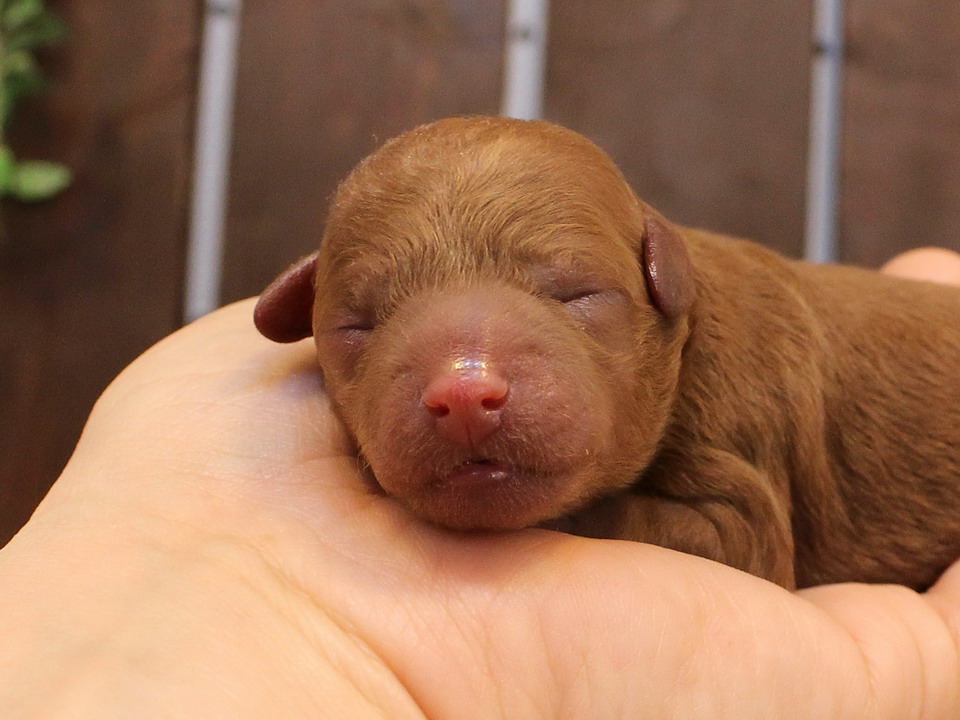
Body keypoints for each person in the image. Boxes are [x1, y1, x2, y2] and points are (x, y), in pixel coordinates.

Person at [1, 250, 959, 719]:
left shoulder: (736, 375)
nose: (465, 388)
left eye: (575, 298)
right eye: (363, 326)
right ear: (301, 312)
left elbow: (739, 542)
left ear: (660, 275)